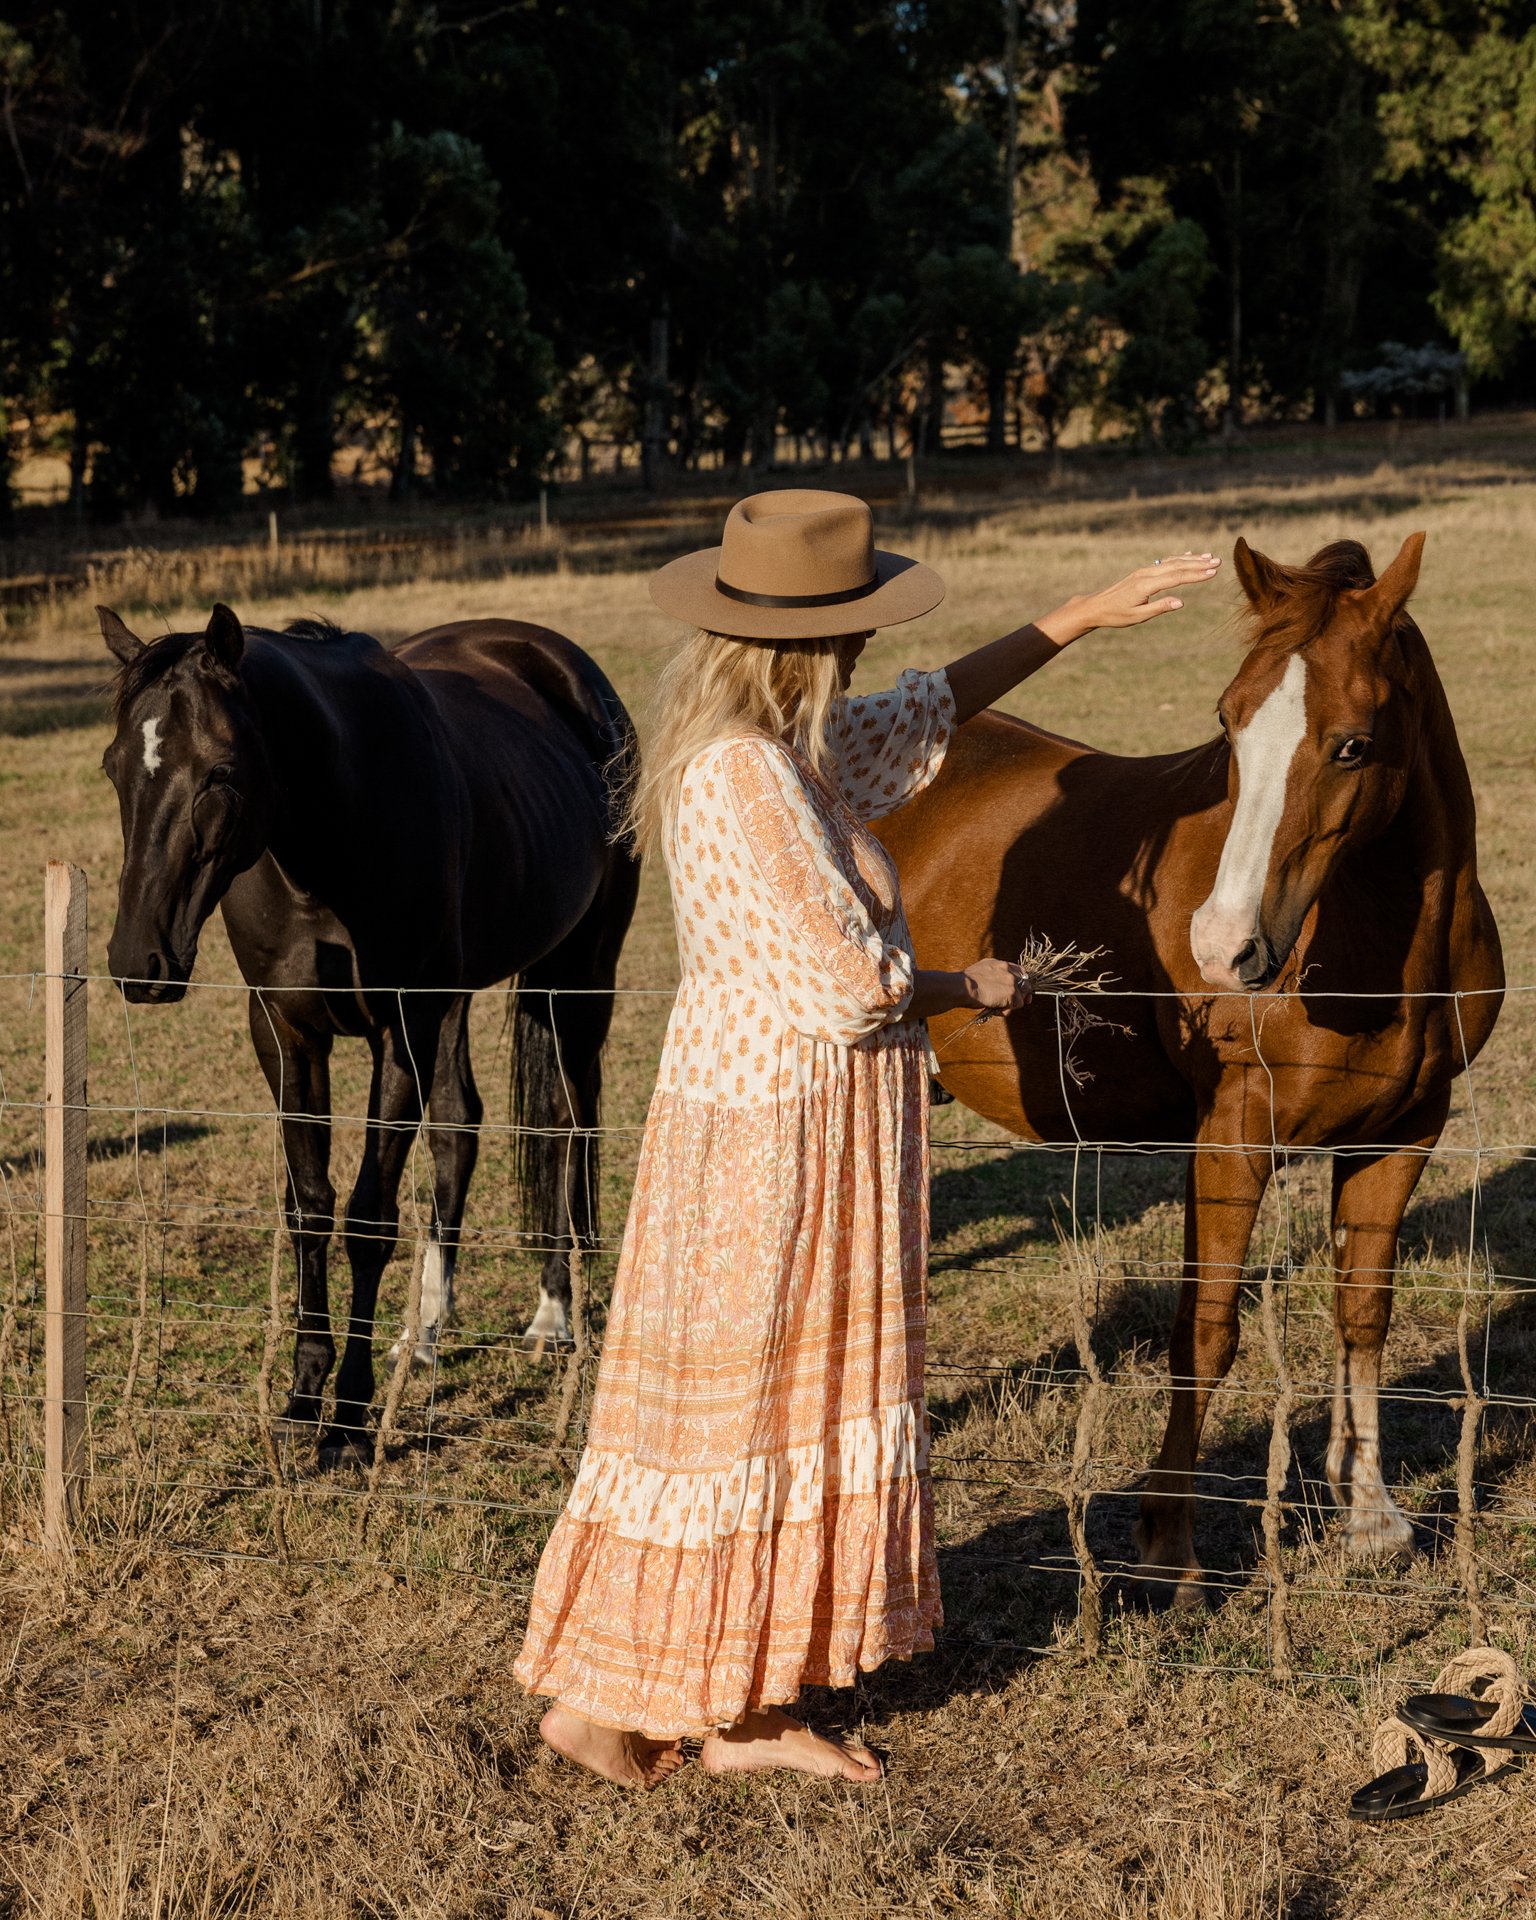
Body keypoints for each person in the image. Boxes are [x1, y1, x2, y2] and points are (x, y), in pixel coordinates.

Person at [512, 490, 1219, 1787]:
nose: (852, 664)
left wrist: (1079, 615)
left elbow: (932, 706)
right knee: (743, 1415)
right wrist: (973, 989)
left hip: (786, 1124)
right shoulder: (748, 777)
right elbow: (853, 988)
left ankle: (731, 1700)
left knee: (757, 1413)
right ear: (800, 652)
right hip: (779, 1141)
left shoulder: (784, 747)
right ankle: (626, 1703)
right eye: (840, 644)